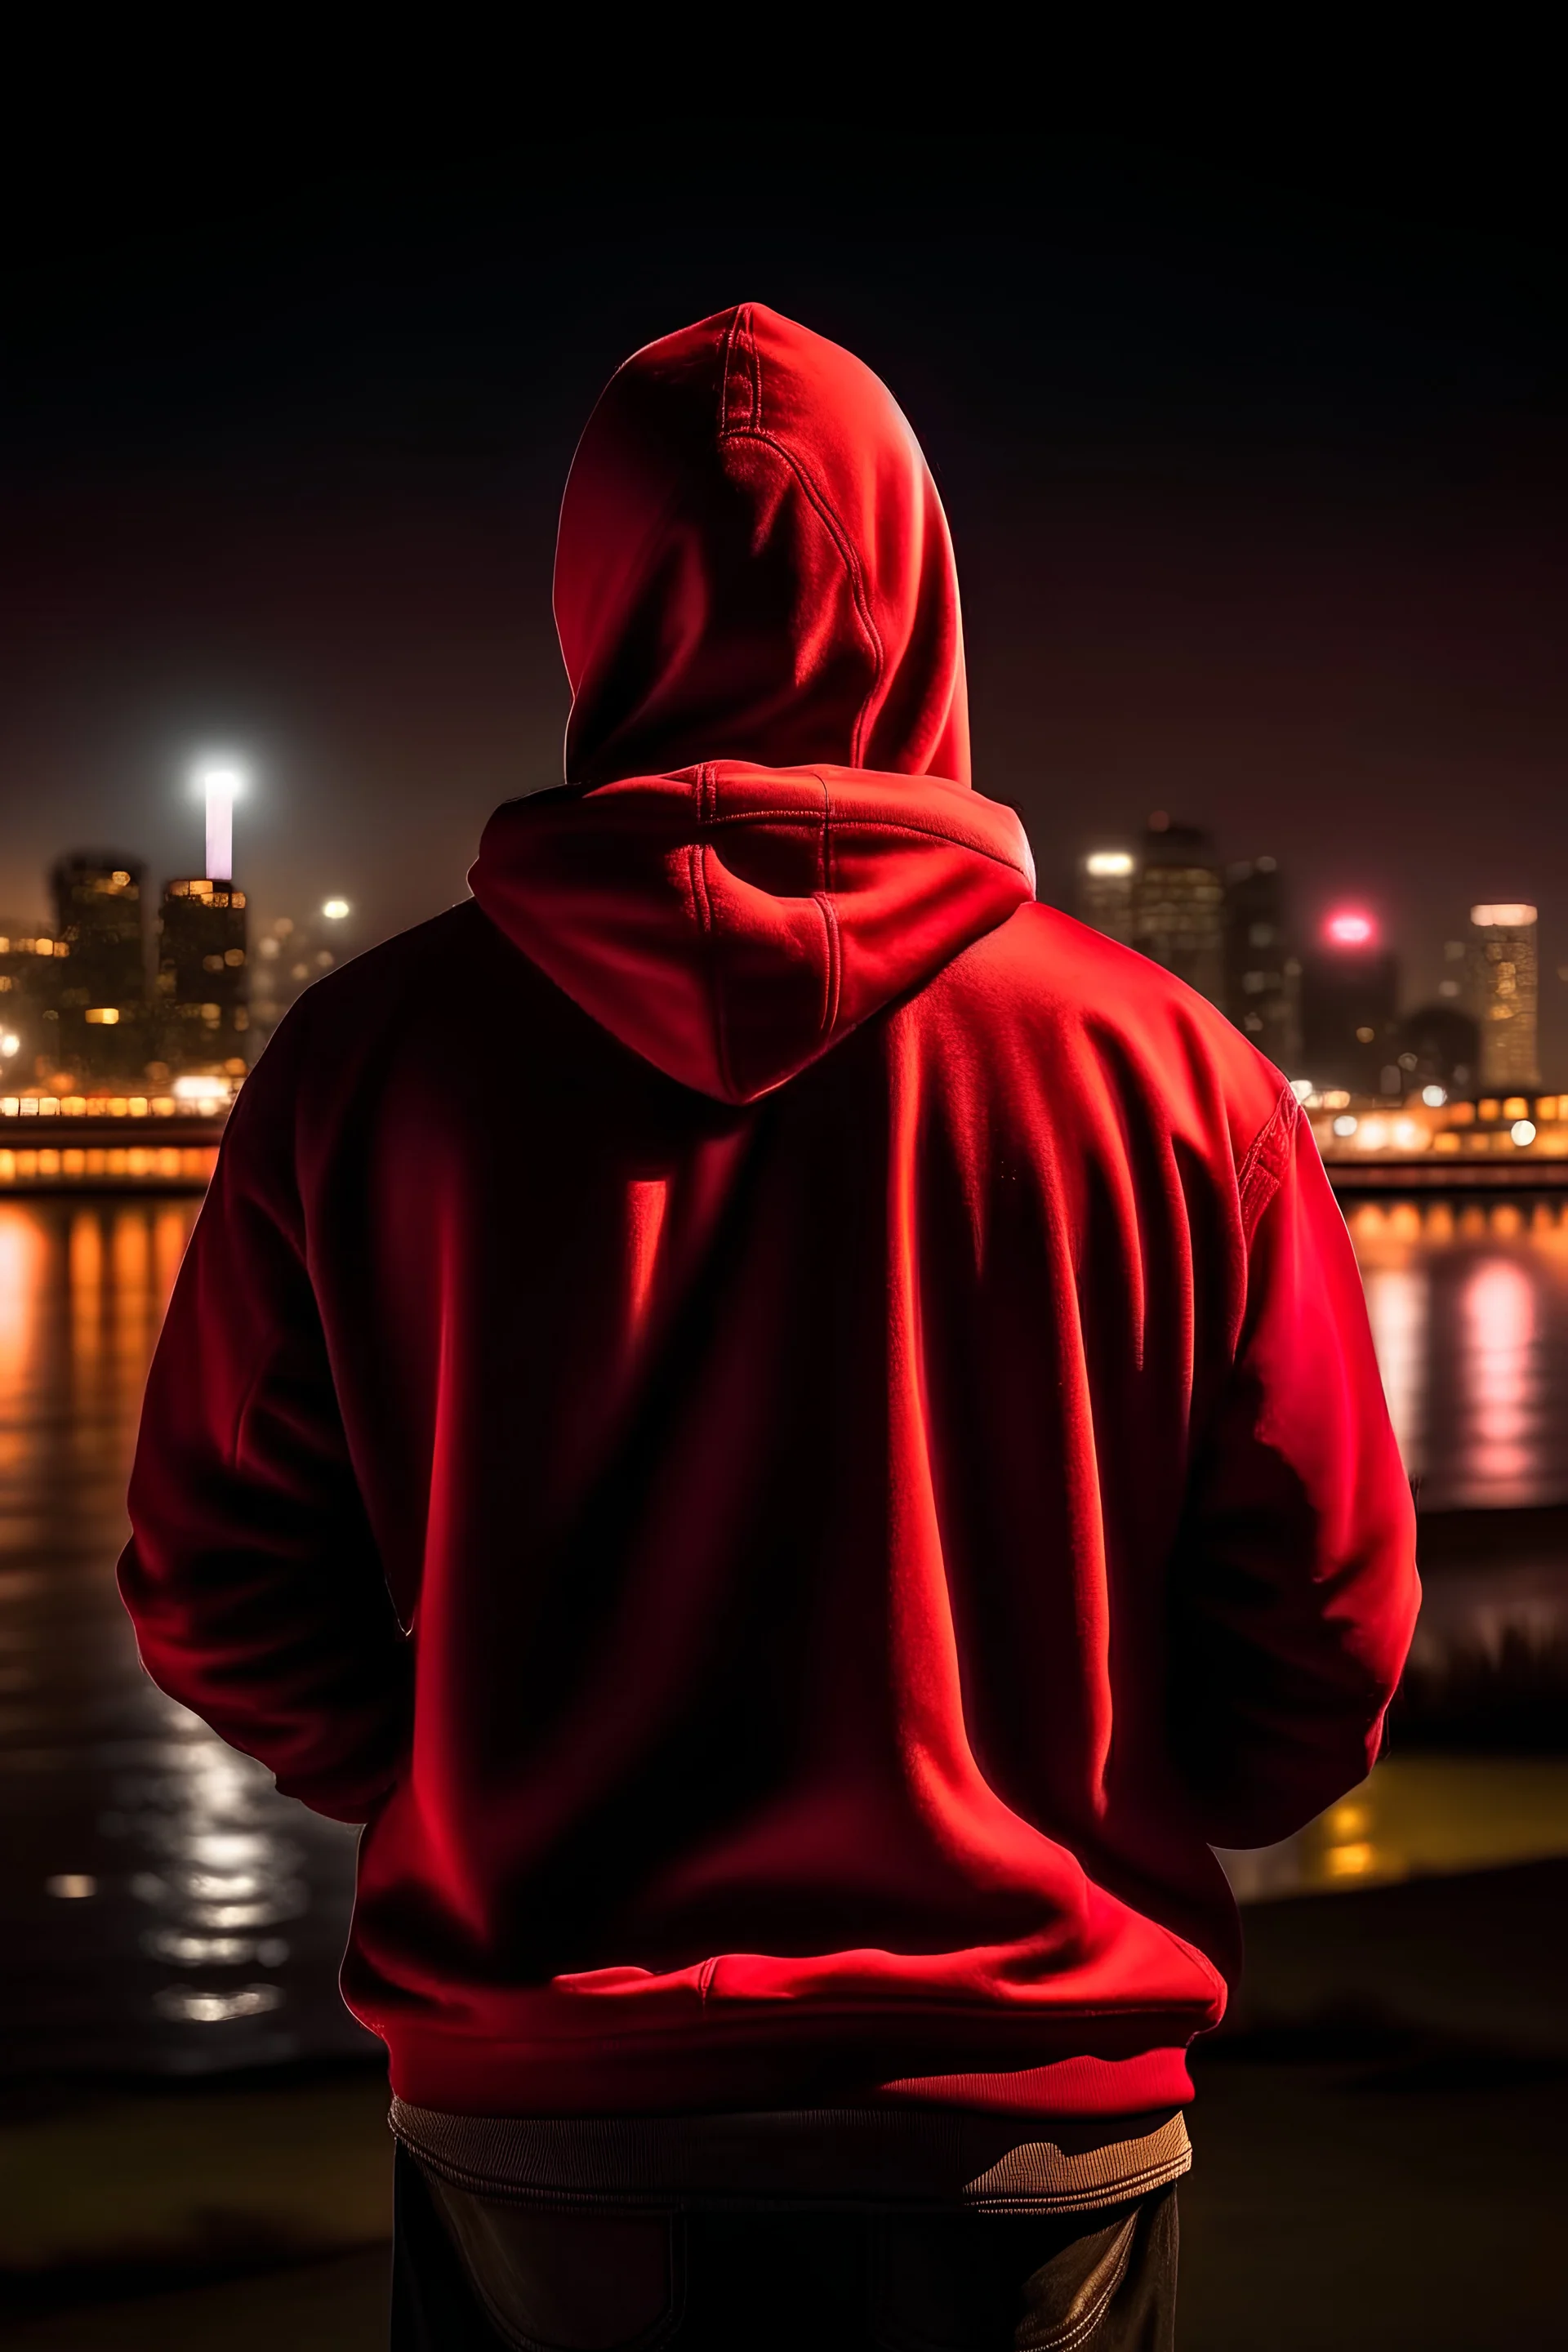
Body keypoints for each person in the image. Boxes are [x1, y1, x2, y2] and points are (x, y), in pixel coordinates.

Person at [119, 303, 1419, 2349]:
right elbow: (1327, 1623)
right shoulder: (1174, 1074)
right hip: (1025, 2113)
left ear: (594, 608)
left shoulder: (371, 1057)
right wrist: (1112, 1808)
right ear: (920, 590)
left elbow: (209, 1575)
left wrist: (454, 1773)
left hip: (542, 2114)